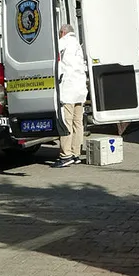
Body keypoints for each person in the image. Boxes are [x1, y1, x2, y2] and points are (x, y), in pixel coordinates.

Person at [52, 24, 88, 168]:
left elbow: (55, 60)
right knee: (77, 123)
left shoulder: (62, 43)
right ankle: (75, 153)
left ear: (62, 32)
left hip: (68, 89)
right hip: (80, 90)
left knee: (66, 122)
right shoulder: (78, 46)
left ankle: (65, 155)